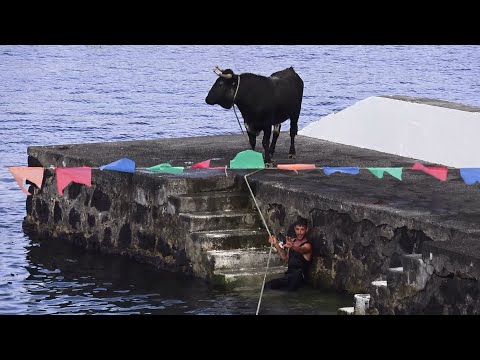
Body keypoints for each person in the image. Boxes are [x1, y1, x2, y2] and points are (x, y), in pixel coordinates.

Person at [265, 217, 313, 291]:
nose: (299, 232)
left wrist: (292, 247)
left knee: (288, 289)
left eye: (302, 230)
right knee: (268, 285)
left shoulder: (307, 245)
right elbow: (285, 259)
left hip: (299, 277)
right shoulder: (291, 241)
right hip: (289, 275)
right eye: (297, 229)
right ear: (294, 229)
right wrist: (276, 244)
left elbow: (301, 250)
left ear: (306, 230)